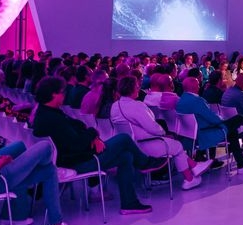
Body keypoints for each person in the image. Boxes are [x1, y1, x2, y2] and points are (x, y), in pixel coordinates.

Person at [32, 76, 159, 214]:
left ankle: (129, 203)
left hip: (71, 159)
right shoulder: (53, 118)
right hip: (77, 163)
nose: (64, 95)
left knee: (126, 156)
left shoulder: (45, 113)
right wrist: (92, 134)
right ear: (53, 94)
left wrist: (93, 137)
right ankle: (145, 163)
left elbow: (78, 125)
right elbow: (77, 143)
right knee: (124, 138)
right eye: (62, 92)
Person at [110, 75, 211, 190]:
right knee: (177, 146)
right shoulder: (136, 105)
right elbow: (152, 127)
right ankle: (189, 179)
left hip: (131, 145)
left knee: (173, 143)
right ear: (131, 88)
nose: (139, 88)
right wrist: (163, 133)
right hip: (144, 145)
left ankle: (195, 166)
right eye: (137, 86)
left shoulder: (115, 106)